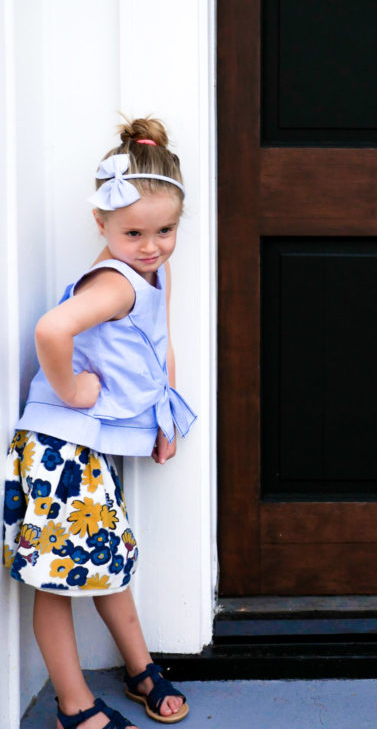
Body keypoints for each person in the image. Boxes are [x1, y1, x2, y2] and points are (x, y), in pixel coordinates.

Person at [3, 117, 196, 729]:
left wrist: (164, 415)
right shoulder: (116, 283)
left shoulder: (147, 272)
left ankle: (138, 668)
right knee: (58, 584)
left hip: (83, 450)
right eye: (134, 232)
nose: (152, 245)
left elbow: (157, 342)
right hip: (62, 449)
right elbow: (51, 329)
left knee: (107, 560)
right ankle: (73, 706)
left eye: (165, 230)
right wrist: (72, 386)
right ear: (102, 224)